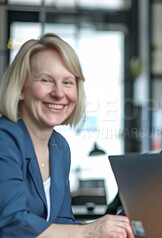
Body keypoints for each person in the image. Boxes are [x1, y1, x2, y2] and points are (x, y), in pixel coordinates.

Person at [0, 33, 133, 238]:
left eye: (68, 82)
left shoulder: (59, 146)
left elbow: (62, 222)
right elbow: (12, 224)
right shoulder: (5, 139)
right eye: (46, 80)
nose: (59, 93)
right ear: (20, 89)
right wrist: (89, 230)